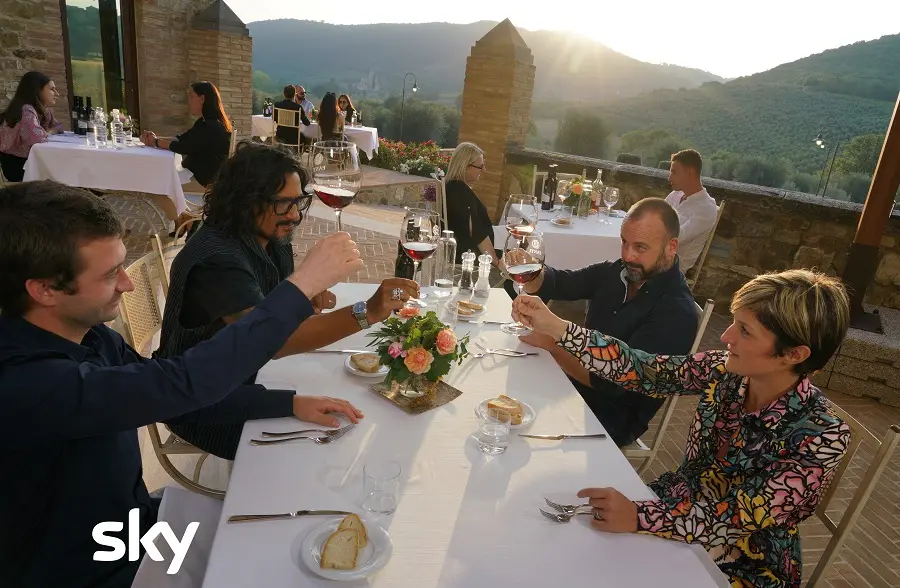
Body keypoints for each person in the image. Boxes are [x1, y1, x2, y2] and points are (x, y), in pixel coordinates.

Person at [0, 180, 365, 588]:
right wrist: (299, 288)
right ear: (45, 289)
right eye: (109, 274)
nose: (128, 283)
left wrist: (287, 404)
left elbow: (172, 394)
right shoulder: (26, 382)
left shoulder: (87, 334)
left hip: (134, 530)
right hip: (88, 570)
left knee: (295, 533)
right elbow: (183, 382)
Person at [511, 269, 852, 587]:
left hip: (745, 560)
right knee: (565, 545)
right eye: (735, 322)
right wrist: (558, 329)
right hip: (673, 504)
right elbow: (644, 371)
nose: (726, 335)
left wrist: (640, 516)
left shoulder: (823, 434)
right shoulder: (724, 369)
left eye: (745, 330)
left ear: (793, 354)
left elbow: (737, 517)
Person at [155, 141, 419, 459]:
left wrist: (304, 298)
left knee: (357, 412)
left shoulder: (271, 238)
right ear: (245, 201)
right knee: (335, 447)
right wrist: (368, 312)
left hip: (247, 381)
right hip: (206, 405)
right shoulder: (217, 259)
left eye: (299, 203)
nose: (294, 216)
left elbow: (276, 313)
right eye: (284, 204)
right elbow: (274, 341)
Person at [513, 198, 698, 446]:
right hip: (571, 386)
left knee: (511, 429)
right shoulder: (617, 272)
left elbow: (613, 386)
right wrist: (531, 273)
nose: (628, 255)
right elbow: (562, 283)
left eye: (640, 247)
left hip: (606, 419)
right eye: (624, 242)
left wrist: (555, 344)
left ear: (671, 247)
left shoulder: (677, 312)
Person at [140, 81, 232, 191]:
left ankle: (176, 208)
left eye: (191, 96)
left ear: (202, 99)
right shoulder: (204, 122)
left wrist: (155, 142)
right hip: (193, 174)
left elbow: (183, 146)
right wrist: (155, 138)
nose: (189, 101)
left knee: (159, 182)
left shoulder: (211, 126)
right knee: (160, 177)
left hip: (203, 180)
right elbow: (183, 138)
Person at [0, 71, 63, 182]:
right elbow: (38, 138)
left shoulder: (42, 110)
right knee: (63, 171)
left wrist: (48, 131)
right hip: (18, 166)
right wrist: (47, 132)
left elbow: (59, 126)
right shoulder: (26, 110)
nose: (56, 93)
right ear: (38, 90)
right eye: (52, 89)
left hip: (27, 161)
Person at [444, 141, 500, 266]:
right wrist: (495, 261)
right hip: (471, 260)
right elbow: (476, 231)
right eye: (480, 166)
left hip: (463, 254)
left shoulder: (451, 187)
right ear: (465, 166)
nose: (484, 170)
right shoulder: (460, 192)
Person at [664, 149, 718, 272]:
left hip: (673, 268)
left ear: (690, 172)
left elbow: (678, 237)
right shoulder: (675, 195)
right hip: (656, 254)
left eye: (674, 172)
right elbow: (656, 215)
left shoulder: (706, 208)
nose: (669, 177)